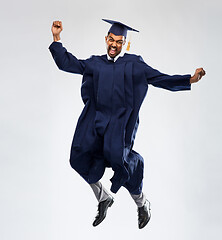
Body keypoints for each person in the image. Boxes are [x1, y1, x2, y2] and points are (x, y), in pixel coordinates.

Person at [49, 19, 206, 229]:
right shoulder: (95, 64)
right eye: (111, 40)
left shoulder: (134, 65)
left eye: (119, 42)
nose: (114, 45)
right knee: (77, 157)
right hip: (95, 122)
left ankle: (142, 203)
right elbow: (68, 63)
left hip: (119, 126)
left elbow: (160, 78)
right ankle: (104, 197)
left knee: (120, 162)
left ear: (126, 44)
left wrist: (189, 80)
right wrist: (57, 38)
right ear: (106, 39)